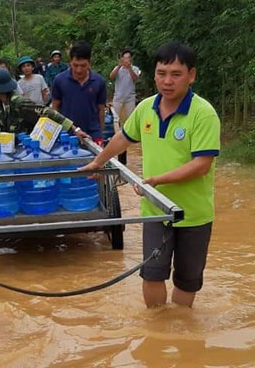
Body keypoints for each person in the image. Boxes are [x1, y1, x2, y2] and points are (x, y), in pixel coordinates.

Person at [82, 41, 220, 309]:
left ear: (191, 75)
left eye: (176, 74)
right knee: (152, 274)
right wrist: (99, 161)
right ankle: (157, 332)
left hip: (194, 215)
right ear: (154, 74)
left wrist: (158, 180)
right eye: (161, 73)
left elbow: (202, 164)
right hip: (155, 210)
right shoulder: (146, 108)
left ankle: (181, 330)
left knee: (186, 280)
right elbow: (124, 137)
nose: (167, 81)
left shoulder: (203, 114)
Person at [0, 66, 87, 138]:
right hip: (11, 148)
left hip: (28, 147)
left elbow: (47, 112)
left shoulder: (19, 103)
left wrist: (75, 129)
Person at [51, 40, 107, 142]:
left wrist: (101, 133)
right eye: (75, 65)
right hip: (67, 135)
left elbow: (101, 109)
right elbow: (55, 108)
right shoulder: (59, 80)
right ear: (70, 62)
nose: (79, 70)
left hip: (93, 134)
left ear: (89, 63)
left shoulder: (99, 82)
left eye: (83, 65)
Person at [109, 48, 141, 125]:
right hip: (118, 97)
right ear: (122, 58)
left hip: (130, 98)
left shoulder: (135, 68)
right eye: (125, 57)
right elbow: (111, 76)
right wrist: (119, 66)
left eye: (128, 57)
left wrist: (129, 68)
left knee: (130, 119)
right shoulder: (118, 68)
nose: (127, 59)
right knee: (116, 119)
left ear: (131, 58)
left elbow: (135, 78)